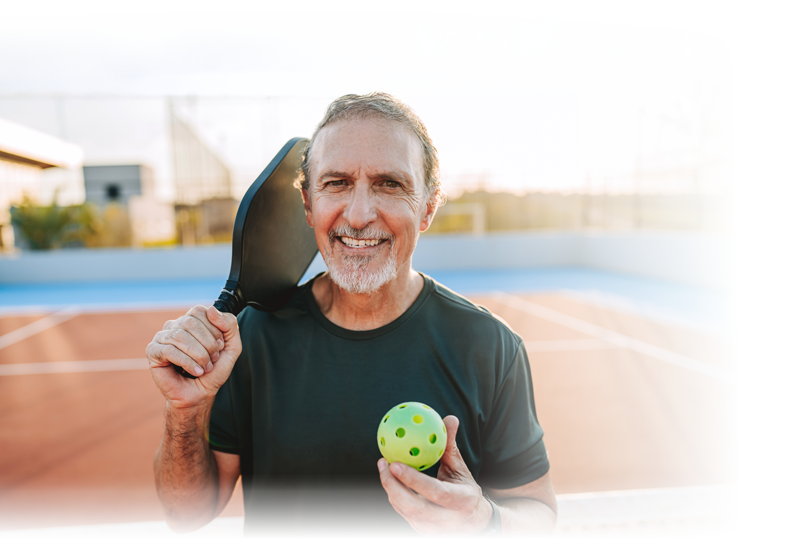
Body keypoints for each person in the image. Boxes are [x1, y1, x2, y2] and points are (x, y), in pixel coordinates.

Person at [146, 92, 557, 538]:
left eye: (389, 184)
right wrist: (185, 411)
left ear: (428, 207)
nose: (359, 215)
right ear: (307, 204)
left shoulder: (491, 346)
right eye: (336, 183)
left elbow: (538, 511)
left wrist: (485, 521)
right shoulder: (252, 336)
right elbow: (184, 516)